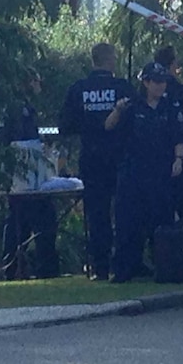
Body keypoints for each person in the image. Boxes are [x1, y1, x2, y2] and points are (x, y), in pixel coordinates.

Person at [106, 61, 183, 283]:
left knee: (160, 220)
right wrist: (117, 110)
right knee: (128, 221)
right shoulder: (132, 106)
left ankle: (164, 266)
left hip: (160, 172)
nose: (161, 86)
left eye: (164, 82)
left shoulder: (171, 106)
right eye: (157, 82)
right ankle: (125, 267)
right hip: (132, 171)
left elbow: (179, 136)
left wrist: (178, 160)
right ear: (146, 82)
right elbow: (109, 126)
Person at [59, 43, 133, 281]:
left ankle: (99, 267)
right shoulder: (121, 87)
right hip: (120, 158)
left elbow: (65, 125)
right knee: (124, 212)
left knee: (97, 215)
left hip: (91, 158)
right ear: (110, 60)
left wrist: (88, 125)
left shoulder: (78, 89)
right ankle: (125, 263)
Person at [0, 68, 59, 279]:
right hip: (24, 177)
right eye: (37, 82)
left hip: (25, 177)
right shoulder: (18, 110)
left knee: (19, 222)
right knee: (40, 220)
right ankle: (44, 268)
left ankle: (13, 269)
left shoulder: (24, 108)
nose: (39, 86)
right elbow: (17, 145)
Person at [154, 45, 183, 219]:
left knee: (160, 215)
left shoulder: (148, 91)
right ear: (172, 64)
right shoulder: (181, 92)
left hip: (156, 162)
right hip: (182, 160)